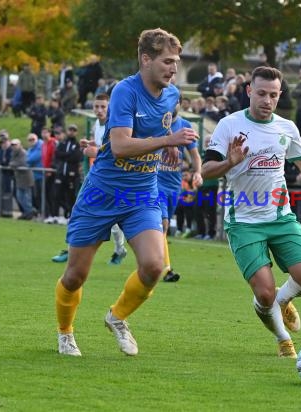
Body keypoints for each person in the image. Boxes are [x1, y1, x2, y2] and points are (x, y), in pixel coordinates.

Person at [55, 28, 198, 357]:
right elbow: (119, 145)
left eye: (176, 62)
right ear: (146, 60)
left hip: (143, 194)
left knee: (154, 266)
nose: (173, 69)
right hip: (101, 193)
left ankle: (117, 318)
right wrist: (167, 142)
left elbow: (173, 130)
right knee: (76, 276)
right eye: (167, 61)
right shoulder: (125, 91)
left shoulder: (172, 94)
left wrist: (181, 150)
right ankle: (65, 332)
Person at [201, 66, 301, 358]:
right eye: (261, 93)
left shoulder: (286, 127)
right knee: (264, 293)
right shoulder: (228, 125)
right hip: (244, 222)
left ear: (279, 94)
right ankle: (283, 339)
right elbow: (206, 169)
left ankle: (283, 302)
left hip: (280, 217)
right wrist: (229, 162)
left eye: (273, 94)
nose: (267, 100)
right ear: (249, 92)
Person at [52, 94, 129, 265]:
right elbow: (103, 143)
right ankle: (71, 248)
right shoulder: (98, 124)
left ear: (110, 107)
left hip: (114, 179)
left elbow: (117, 150)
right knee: (78, 210)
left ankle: (120, 250)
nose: (99, 110)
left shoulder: (116, 124)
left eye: (103, 107)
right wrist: (91, 142)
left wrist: (95, 152)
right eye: (96, 107)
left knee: (114, 221)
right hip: (98, 177)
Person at [157, 104, 202, 282]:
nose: (171, 105)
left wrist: (197, 172)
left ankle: (152, 260)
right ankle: (166, 269)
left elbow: (195, 155)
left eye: (174, 101)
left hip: (174, 184)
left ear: (180, 104)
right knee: (163, 223)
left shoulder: (185, 126)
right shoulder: (156, 122)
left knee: (164, 227)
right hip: (155, 181)